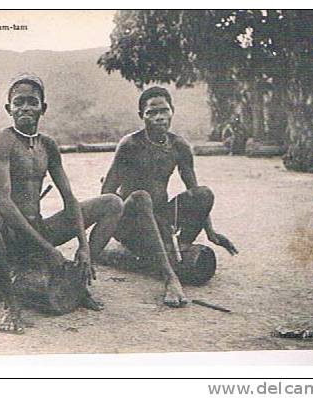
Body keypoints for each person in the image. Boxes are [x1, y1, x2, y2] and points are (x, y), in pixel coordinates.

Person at [0, 73, 123, 334]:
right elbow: (4, 202)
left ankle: (79, 284)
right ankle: (11, 302)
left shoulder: (47, 145)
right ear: (9, 109)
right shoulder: (2, 140)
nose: (25, 107)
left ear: (42, 108)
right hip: (8, 235)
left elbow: (70, 199)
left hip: (37, 229)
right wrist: (48, 249)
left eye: (32, 102)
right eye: (18, 102)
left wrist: (84, 246)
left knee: (112, 203)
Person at [102, 86, 238, 308]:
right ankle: (169, 277)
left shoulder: (179, 146)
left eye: (164, 111)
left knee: (204, 194)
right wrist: (105, 231)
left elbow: (193, 191)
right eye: (151, 113)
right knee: (141, 197)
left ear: (172, 111)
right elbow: (107, 193)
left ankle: (178, 249)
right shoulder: (130, 145)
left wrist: (211, 233)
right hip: (129, 222)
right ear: (141, 116)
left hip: (160, 217)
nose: (159, 118)